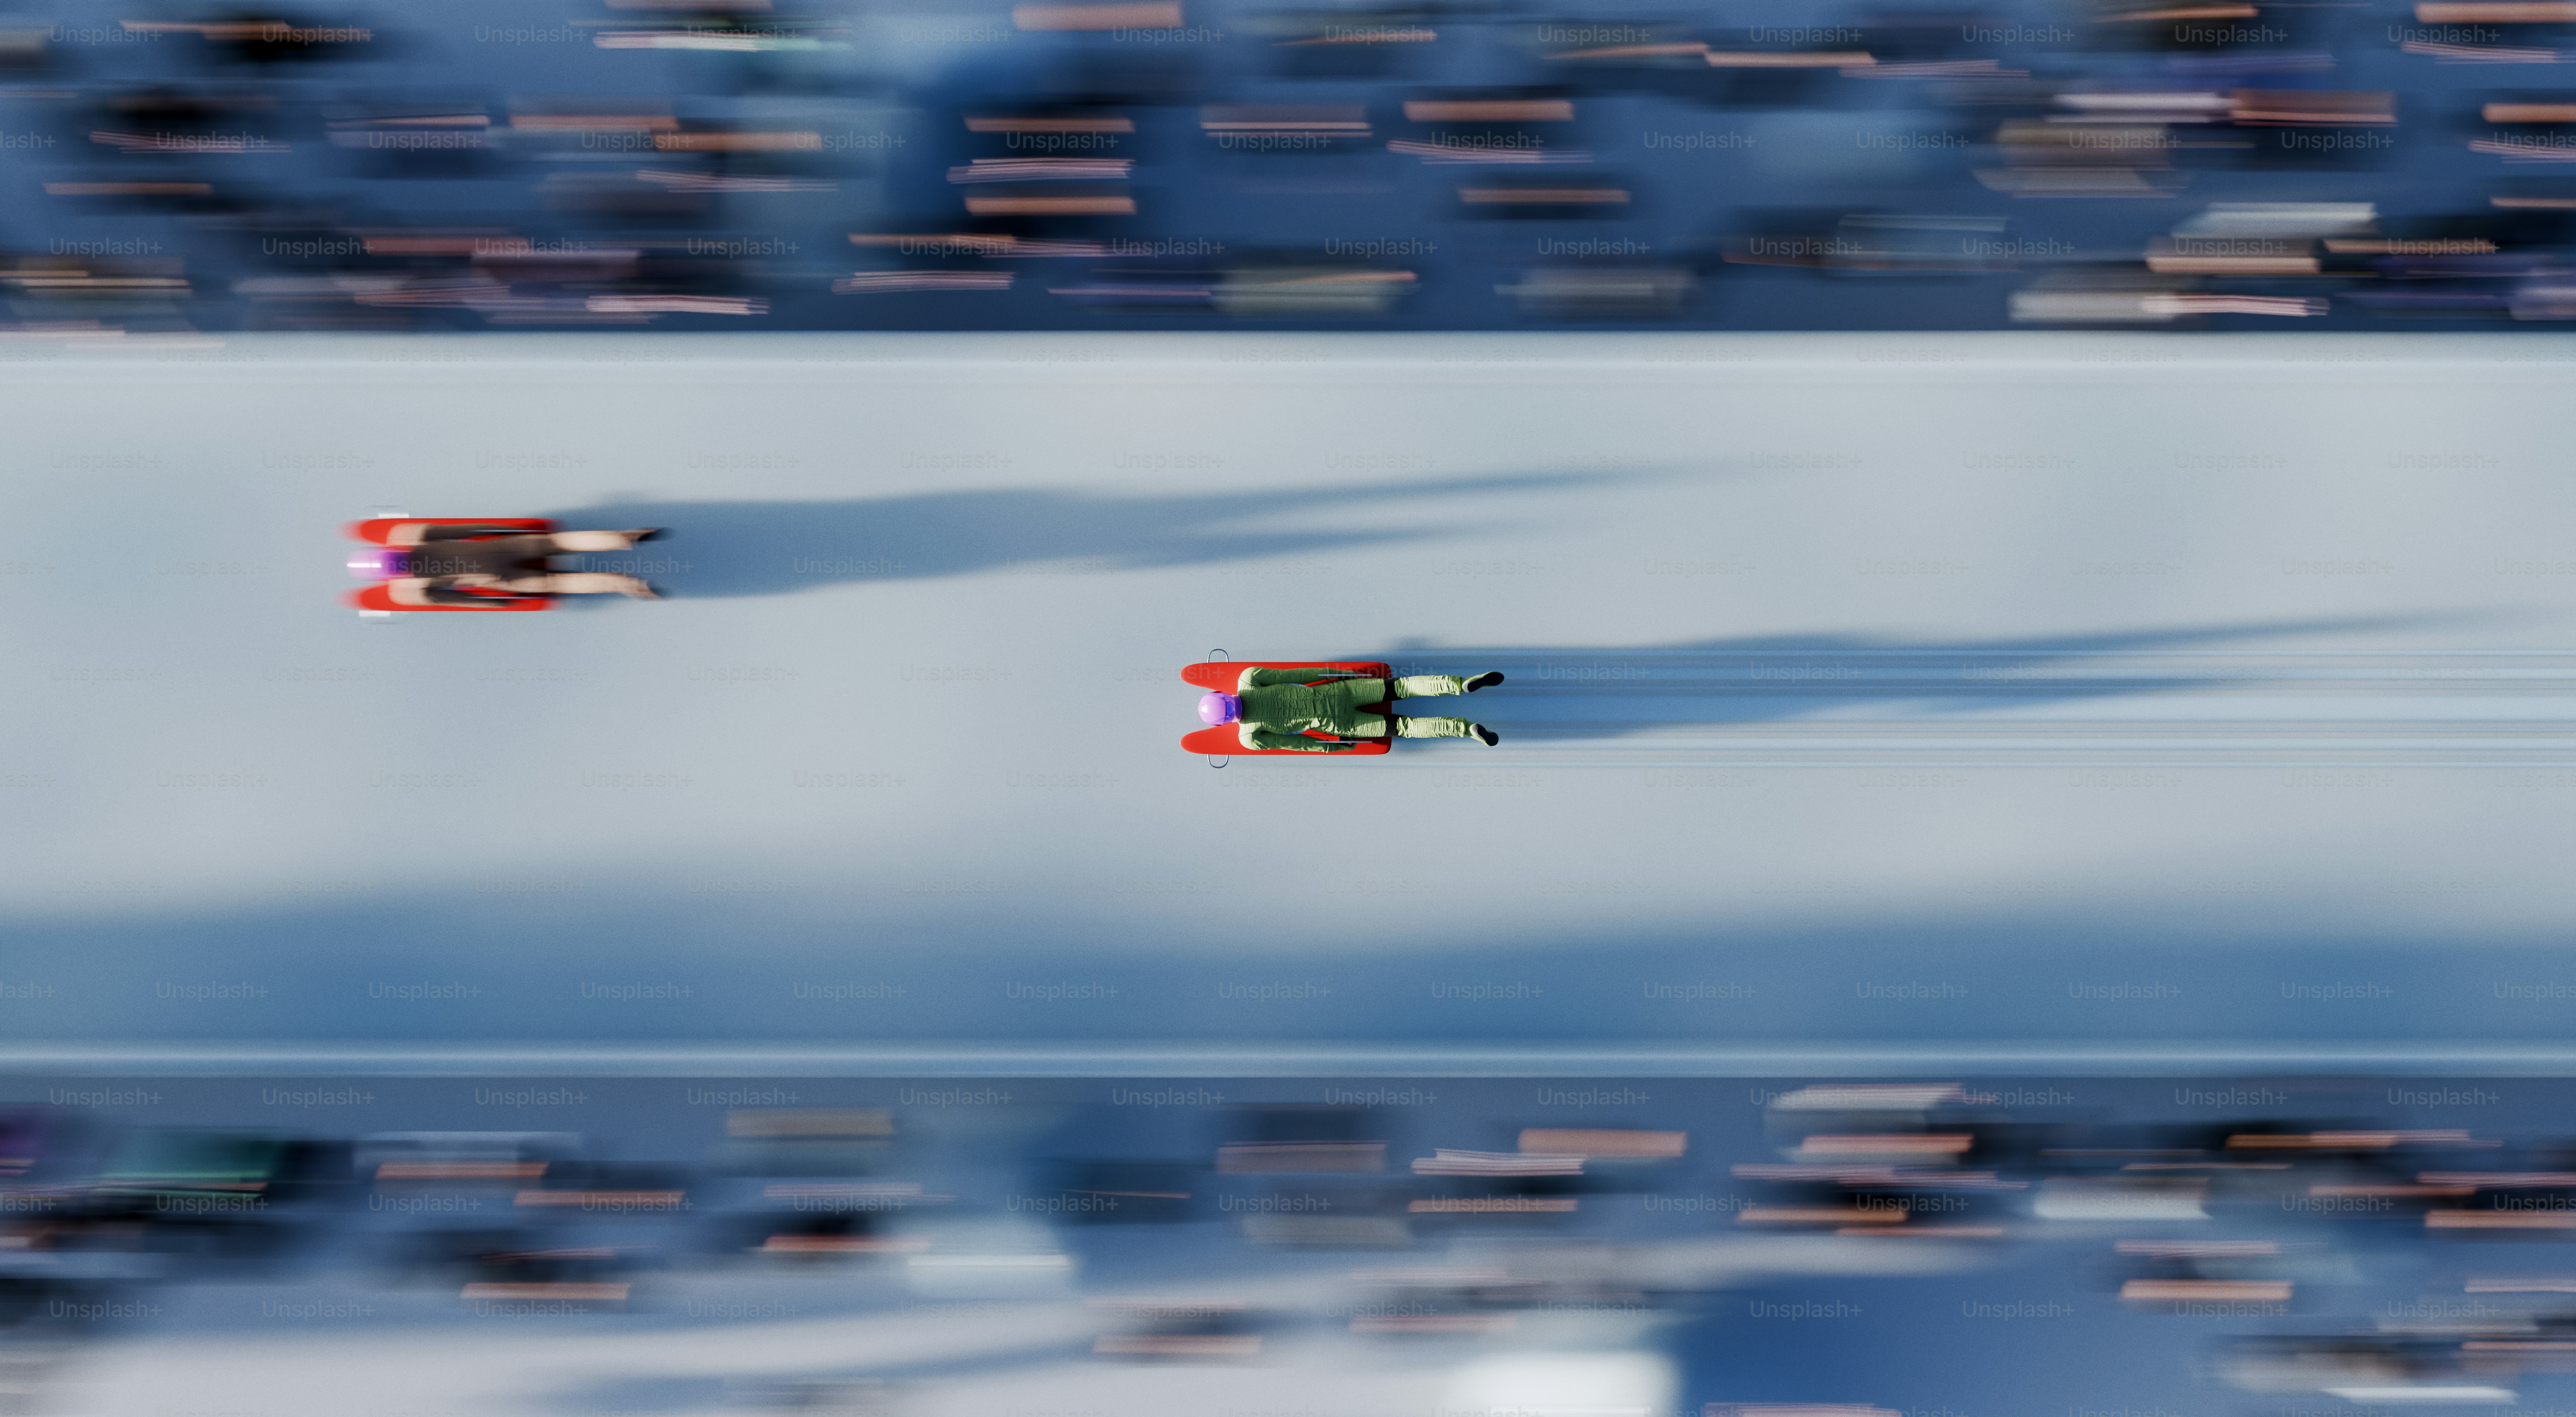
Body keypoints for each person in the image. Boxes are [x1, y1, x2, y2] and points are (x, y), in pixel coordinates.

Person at [1198, 665, 1504, 751]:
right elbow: (1301, 675)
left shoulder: (1249, 738)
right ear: (1222, 695)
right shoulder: (1249, 678)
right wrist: (1340, 674)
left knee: (1405, 728)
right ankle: (1461, 684)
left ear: (1223, 723)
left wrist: (1335, 747)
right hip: (1338, 692)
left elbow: (1301, 743)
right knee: (1402, 687)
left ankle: (1466, 730)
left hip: (1339, 724)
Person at [348, 526, 665, 602]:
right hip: (499, 549)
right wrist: (503, 530)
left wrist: (496, 602)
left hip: (497, 577)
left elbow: (462, 599)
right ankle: (625, 537)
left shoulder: (412, 589)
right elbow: (468, 532)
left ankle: (628, 585)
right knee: (560, 543)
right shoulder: (411, 536)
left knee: (558, 583)